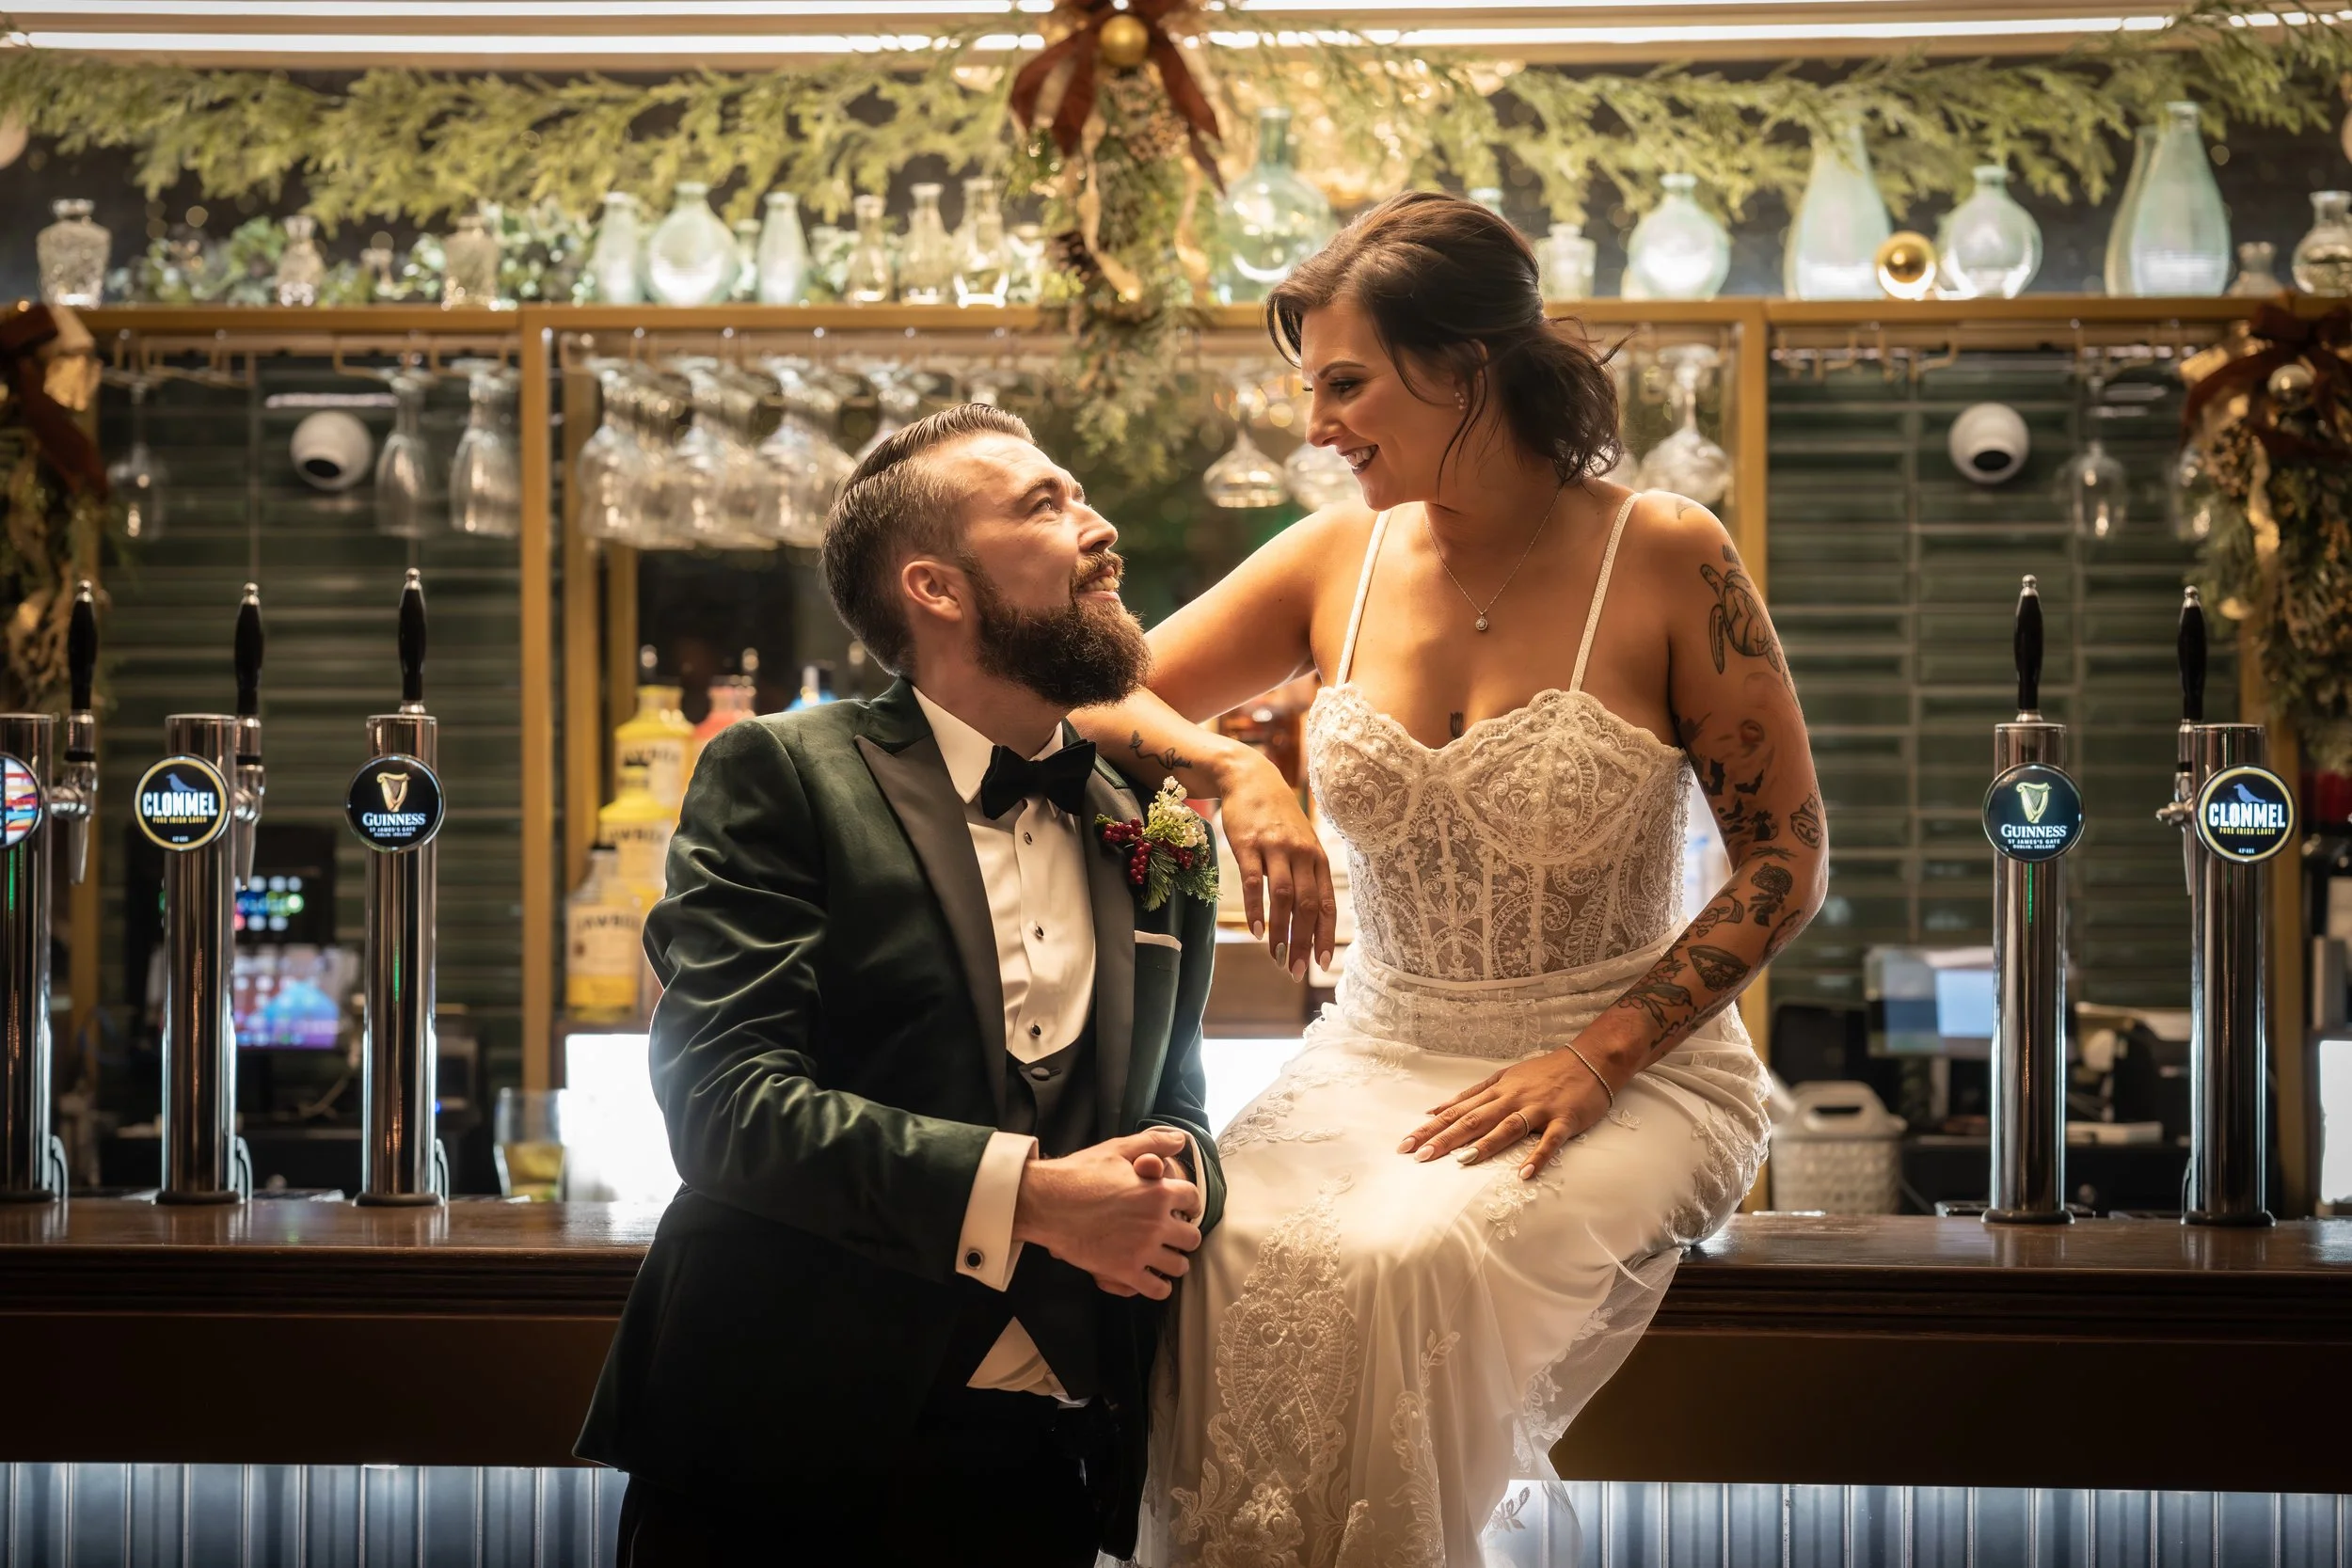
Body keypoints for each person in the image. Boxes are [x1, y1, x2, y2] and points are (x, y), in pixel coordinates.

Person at [1073, 191, 1829, 1564]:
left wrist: (1597, 1058)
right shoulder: (1330, 558)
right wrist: (1242, 772)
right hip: (1377, 1042)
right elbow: (1084, 698)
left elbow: (1787, 854)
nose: (1318, 426)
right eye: (1312, 391)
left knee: (1409, 1261)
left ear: (1469, 362)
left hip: (1635, 1066)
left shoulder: (1668, 552)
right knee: (1211, 1242)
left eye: (1347, 384)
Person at [576, 404, 1225, 1568]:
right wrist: (1031, 1195)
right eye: (1045, 504)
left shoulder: (1156, 825)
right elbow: (723, 1105)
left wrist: (1176, 1190)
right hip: (781, 1453)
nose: (1100, 527)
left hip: (1053, 1465)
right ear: (936, 587)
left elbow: (1176, 1104)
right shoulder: (780, 770)